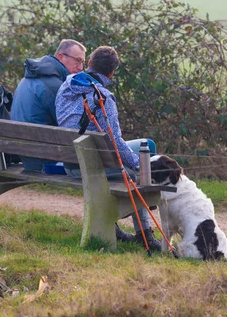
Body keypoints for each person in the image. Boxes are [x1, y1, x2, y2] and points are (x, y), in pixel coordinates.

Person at [55, 46, 161, 251]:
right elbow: (115, 142)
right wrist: (142, 166)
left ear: (89, 64)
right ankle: (145, 234)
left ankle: (124, 229)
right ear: (111, 73)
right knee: (143, 156)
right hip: (91, 165)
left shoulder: (66, 85)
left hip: (70, 161)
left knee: (143, 148)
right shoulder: (103, 97)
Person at [11, 39, 87, 172]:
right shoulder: (56, 87)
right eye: (77, 60)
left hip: (24, 155)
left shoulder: (29, 77)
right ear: (61, 57)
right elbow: (71, 126)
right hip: (44, 160)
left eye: (83, 62)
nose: (80, 68)